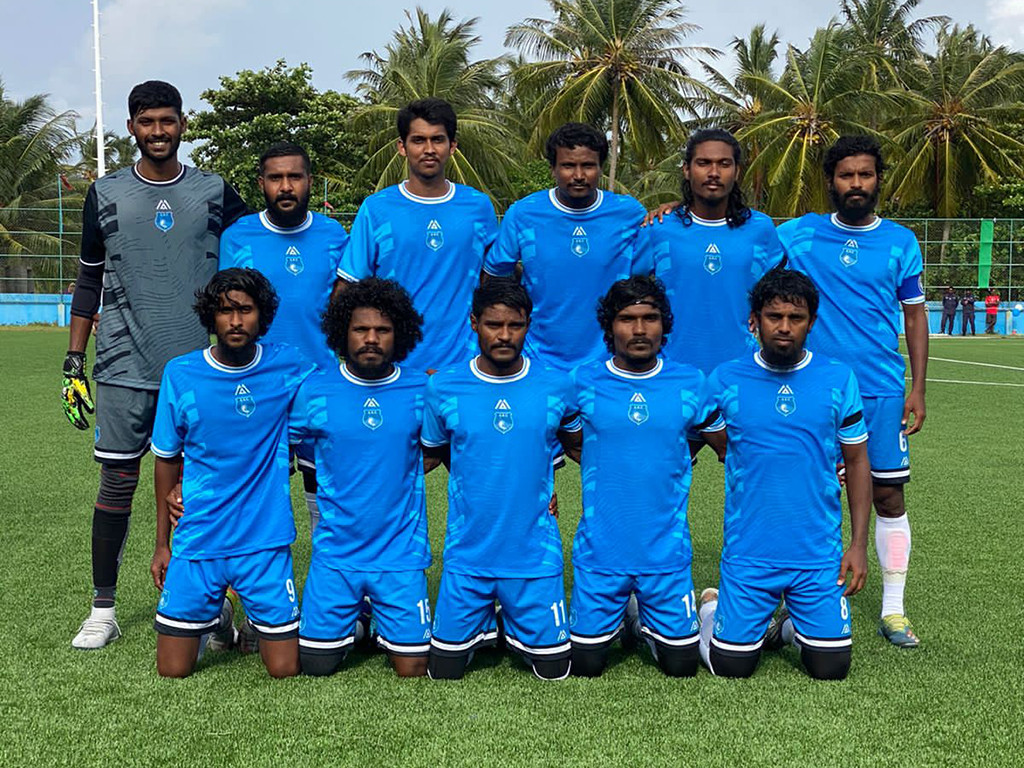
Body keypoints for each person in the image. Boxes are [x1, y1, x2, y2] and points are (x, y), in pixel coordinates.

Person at [62, 80, 248, 650]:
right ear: (131, 128)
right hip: (123, 367)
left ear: (183, 124)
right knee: (117, 484)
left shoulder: (215, 191)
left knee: (196, 493)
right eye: (147, 122)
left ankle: (210, 607)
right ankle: (103, 609)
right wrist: (74, 359)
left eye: (168, 120)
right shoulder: (105, 192)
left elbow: (253, 255)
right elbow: (89, 278)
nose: (158, 131)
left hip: (199, 371)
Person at [776, 135, 927, 648]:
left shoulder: (901, 242)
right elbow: (741, 236)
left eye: (865, 174)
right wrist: (674, 209)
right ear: (831, 182)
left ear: (878, 180)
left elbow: (914, 317)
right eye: (846, 175)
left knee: (887, 494)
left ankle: (893, 610)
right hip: (810, 388)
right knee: (800, 492)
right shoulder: (798, 234)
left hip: (880, 388)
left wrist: (917, 388)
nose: (856, 184)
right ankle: (789, 595)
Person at [698, 267, 872, 681]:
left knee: (831, 669)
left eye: (796, 318)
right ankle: (711, 607)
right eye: (774, 316)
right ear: (754, 320)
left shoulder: (838, 378)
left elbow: (858, 461)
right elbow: (700, 441)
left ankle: (793, 626)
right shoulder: (725, 379)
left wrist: (859, 545)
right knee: (731, 667)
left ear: (812, 322)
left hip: (817, 555)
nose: (784, 327)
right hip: (750, 553)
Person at [150, 268, 314, 678]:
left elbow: (343, 386)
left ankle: (255, 616)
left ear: (263, 315)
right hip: (200, 537)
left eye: (246, 310)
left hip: (264, 541)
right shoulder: (180, 374)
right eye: (225, 311)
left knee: (284, 669)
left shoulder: (289, 365)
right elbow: (166, 459)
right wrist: (162, 544)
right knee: (172, 670)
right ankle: (220, 616)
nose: (236, 321)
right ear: (211, 316)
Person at [563, 276, 726, 678]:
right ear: (609, 326)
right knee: (585, 665)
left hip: (665, 555)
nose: (639, 329)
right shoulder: (581, 381)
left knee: (681, 667)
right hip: (601, 554)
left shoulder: (691, 382)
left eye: (650, 318)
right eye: (627, 319)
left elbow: (727, 447)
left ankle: (707, 607)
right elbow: (566, 440)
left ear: (664, 324)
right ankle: (632, 615)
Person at [422, 279, 581, 681]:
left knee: (555, 672)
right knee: (443, 672)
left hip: (534, 556)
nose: (505, 335)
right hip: (467, 556)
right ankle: (492, 621)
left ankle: (509, 620)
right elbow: (436, 453)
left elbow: (576, 446)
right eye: (494, 324)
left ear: (529, 324)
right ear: (474, 323)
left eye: (515, 325)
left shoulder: (557, 385)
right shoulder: (443, 387)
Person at [291, 278, 435, 678]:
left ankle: (381, 617)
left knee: (413, 668)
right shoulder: (315, 390)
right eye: (361, 329)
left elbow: (459, 448)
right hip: (337, 555)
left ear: (400, 334)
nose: (371, 339)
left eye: (382, 330)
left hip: (399, 555)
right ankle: (357, 620)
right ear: (343, 332)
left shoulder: (422, 388)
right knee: (316, 666)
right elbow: (272, 451)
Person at [219, 141, 349, 532]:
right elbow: (227, 313)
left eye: (295, 176)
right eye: (276, 178)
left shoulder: (333, 235)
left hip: (319, 380)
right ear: (261, 183)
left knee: (323, 486)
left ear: (310, 180)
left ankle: (329, 569)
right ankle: (248, 569)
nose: (286, 186)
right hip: (258, 383)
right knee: (254, 489)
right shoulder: (238, 237)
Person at [335, 98, 498, 372]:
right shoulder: (376, 209)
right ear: (402, 147)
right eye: (419, 140)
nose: (429, 149)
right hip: (394, 368)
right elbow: (348, 287)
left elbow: (492, 280)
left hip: (464, 366)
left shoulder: (478, 207)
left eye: (438, 140)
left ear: (452, 146)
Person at [482, 123, 646, 371]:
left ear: (600, 167)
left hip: (609, 360)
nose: (578, 175)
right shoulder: (523, 213)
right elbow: (495, 279)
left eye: (588, 165)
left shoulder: (629, 213)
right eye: (568, 166)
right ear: (553, 169)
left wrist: (674, 206)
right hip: (537, 359)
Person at [634, 128, 784, 374]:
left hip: (742, 371)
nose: (714, 173)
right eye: (703, 163)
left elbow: (779, 291)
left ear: (737, 172)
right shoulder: (658, 227)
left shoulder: (761, 228)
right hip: (671, 370)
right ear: (686, 169)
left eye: (724, 164)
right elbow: (628, 291)